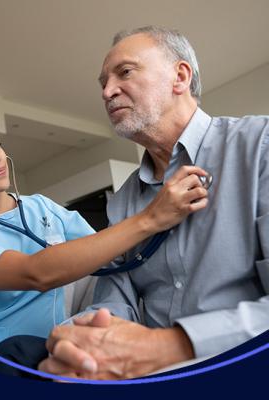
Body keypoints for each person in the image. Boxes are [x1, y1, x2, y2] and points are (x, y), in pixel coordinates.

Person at [0, 97, 209, 368]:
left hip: (53, 355)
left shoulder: (41, 208)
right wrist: (150, 217)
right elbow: (37, 273)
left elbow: (103, 249)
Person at [38, 26, 269, 380]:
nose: (107, 91)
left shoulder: (259, 146)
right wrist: (84, 335)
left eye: (125, 72)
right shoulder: (124, 203)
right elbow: (116, 300)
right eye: (103, 82)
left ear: (180, 76)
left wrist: (169, 347)